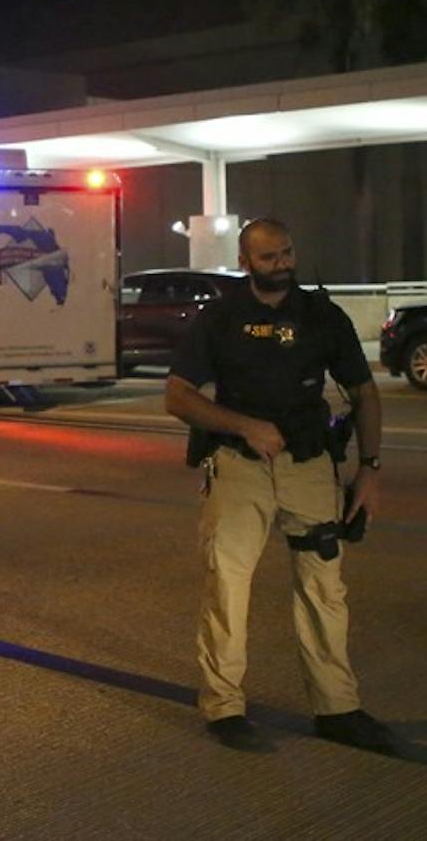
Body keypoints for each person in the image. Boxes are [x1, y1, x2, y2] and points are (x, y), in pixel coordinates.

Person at [165, 217, 396, 754]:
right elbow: (178, 396)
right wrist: (243, 425)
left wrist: (371, 470)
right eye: (269, 257)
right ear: (245, 262)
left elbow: (364, 393)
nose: (283, 265)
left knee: (324, 589)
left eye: (288, 253)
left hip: (310, 467)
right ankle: (224, 707)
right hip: (239, 465)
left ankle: (338, 708)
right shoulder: (219, 318)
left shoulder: (321, 315)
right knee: (228, 585)